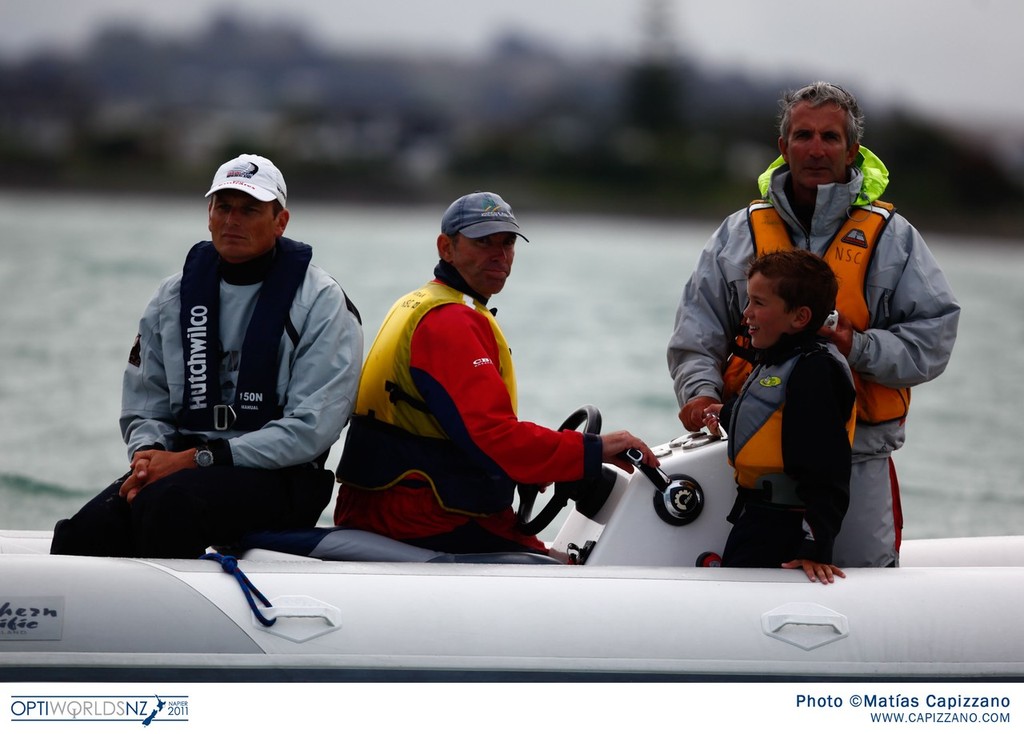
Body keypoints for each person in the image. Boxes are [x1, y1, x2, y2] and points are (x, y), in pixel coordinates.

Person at [668, 82, 960, 568]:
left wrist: (859, 346)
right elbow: (696, 333)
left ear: (852, 150)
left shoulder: (893, 237)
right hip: (749, 460)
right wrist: (699, 394)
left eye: (830, 136)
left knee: (863, 587)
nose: (817, 149)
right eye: (803, 135)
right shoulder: (737, 234)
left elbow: (935, 338)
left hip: (856, 455)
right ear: (784, 148)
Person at [50, 153, 363, 558]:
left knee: (168, 507)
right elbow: (146, 406)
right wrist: (148, 460)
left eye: (250, 210)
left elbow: (310, 430)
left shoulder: (321, 302)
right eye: (224, 207)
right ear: (209, 214)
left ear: (280, 221)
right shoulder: (172, 297)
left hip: (282, 479)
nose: (233, 220)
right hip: (181, 468)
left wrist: (199, 459)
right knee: (79, 535)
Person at [334, 191, 658, 554]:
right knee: (563, 568)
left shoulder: (424, 302)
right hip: (422, 517)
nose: (500, 255)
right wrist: (593, 449)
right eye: (483, 241)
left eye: (507, 243)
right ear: (446, 247)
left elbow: (475, 435)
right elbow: (495, 437)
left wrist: (541, 465)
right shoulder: (450, 320)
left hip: (386, 508)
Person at [704, 250, 855, 583]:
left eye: (759, 303)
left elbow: (827, 467)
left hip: (786, 529)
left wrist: (814, 546)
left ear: (799, 318)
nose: (746, 314)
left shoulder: (814, 371)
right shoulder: (778, 359)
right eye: (748, 302)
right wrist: (727, 413)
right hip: (755, 517)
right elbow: (770, 415)